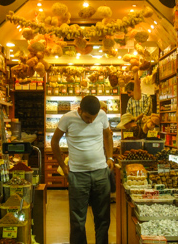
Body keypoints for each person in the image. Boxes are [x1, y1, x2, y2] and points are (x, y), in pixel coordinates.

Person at [51, 95, 114, 244]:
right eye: (87, 117)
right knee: (77, 221)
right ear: (79, 110)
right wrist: (62, 166)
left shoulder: (102, 115)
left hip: (101, 173)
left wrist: (110, 157)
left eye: (94, 118)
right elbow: (54, 142)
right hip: (77, 175)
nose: (90, 121)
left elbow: (107, 135)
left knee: (103, 218)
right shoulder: (67, 118)